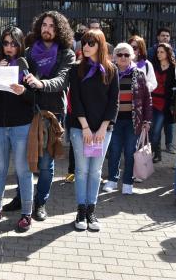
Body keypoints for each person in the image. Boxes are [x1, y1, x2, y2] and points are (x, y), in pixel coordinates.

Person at [1, 11, 75, 223]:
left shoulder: (66, 54)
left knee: (45, 163)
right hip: (28, 111)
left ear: (58, 29)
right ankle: (21, 198)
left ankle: (40, 202)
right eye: (44, 24)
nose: (47, 28)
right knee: (23, 160)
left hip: (52, 114)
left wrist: (41, 83)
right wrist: (5, 69)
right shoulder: (29, 52)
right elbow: (16, 80)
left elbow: (62, 80)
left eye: (52, 25)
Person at [0, 26, 35, 232]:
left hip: (21, 125)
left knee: (23, 169)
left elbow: (33, 99)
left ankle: (26, 213)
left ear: (20, 44)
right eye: (5, 43)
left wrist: (23, 91)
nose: (9, 47)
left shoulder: (27, 66)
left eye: (13, 43)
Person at [68, 29, 118, 231]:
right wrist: (86, 127)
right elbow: (75, 100)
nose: (85, 47)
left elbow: (113, 102)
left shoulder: (111, 70)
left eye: (91, 43)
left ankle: (91, 211)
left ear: (100, 45)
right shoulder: (76, 69)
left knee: (96, 171)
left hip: (103, 130)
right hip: (80, 128)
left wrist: (103, 128)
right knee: (81, 171)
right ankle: (81, 211)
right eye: (84, 43)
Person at [103, 43, 152, 195]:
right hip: (114, 120)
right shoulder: (109, 73)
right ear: (114, 57)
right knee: (114, 151)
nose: (123, 57)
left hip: (133, 121)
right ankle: (112, 180)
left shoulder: (139, 74)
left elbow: (146, 99)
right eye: (119, 54)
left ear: (132, 56)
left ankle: (128, 182)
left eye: (126, 55)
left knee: (131, 152)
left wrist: (147, 120)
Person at [147, 28, 176, 154]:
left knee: (167, 125)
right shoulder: (151, 53)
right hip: (153, 99)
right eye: (163, 35)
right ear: (158, 37)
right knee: (154, 128)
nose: (165, 37)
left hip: (166, 101)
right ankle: (156, 151)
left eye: (168, 35)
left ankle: (168, 144)